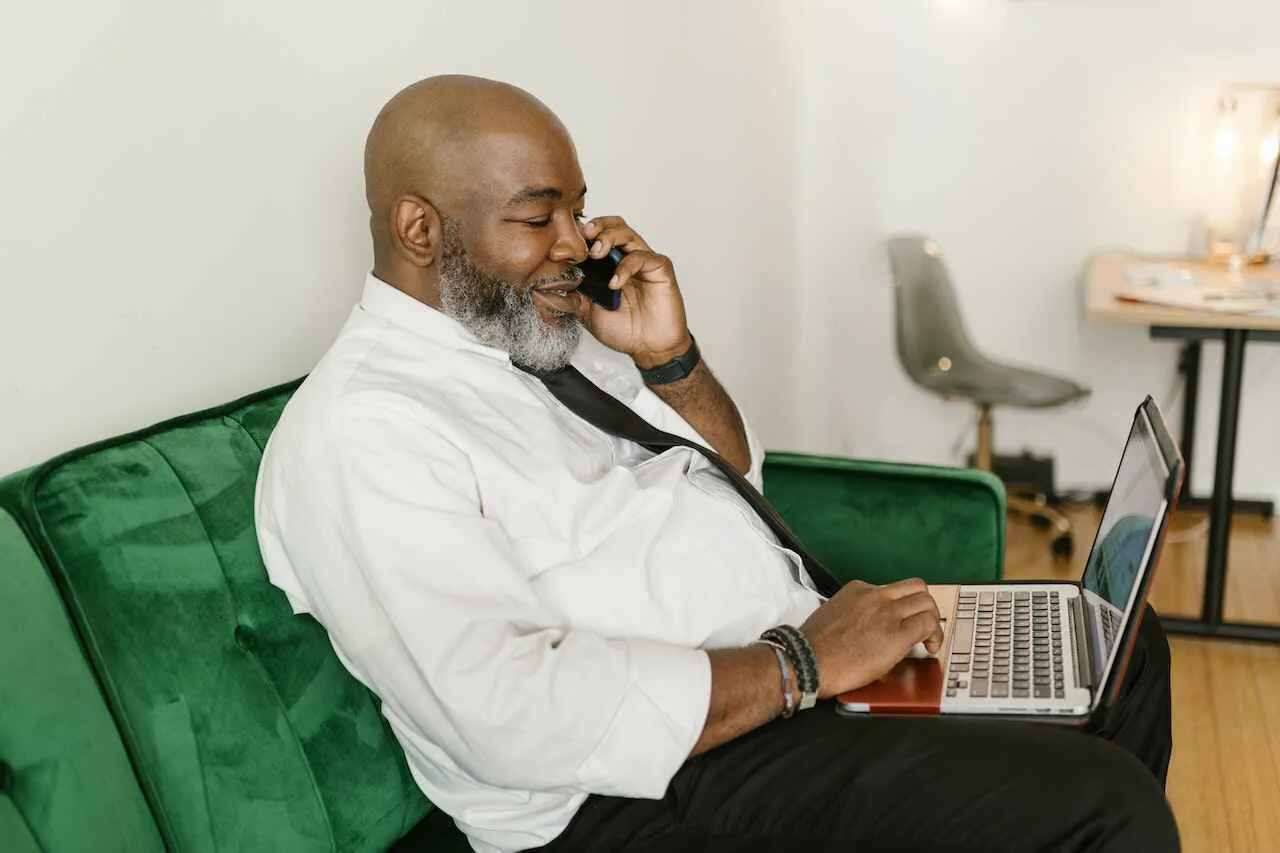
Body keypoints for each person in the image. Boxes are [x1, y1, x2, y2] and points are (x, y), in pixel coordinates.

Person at [254, 75, 1179, 853]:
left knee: (1118, 649)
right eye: (539, 218)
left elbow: (730, 478)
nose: (576, 245)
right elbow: (506, 714)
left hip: (784, 672)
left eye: (577, 209)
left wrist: (672, 359)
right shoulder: (363, 433)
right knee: (1102, 805)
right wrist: (801, 665)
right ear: (421, 230)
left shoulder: (540, 341)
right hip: (631, 788)